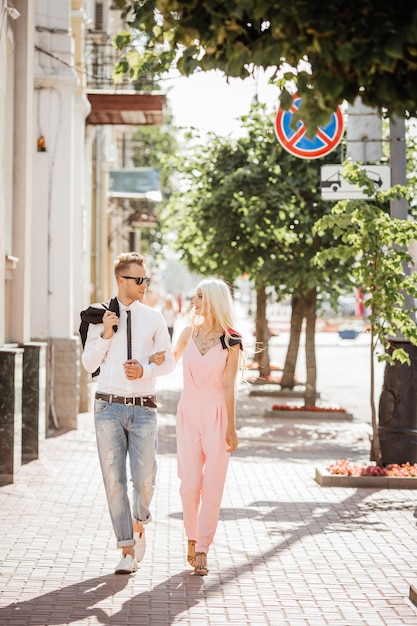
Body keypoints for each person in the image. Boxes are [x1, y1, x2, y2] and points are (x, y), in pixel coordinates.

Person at [81, 252, 175, 575]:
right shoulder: (100, 316)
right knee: (114, 480)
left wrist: (146, 370)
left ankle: (139, 523)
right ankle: (126, 548)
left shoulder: (155, 318)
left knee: (145, 479)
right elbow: (88, 364)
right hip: (107, 407)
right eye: (139, 280)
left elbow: (170, 362)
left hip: (144, 408)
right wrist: (106, 335)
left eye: (145, 279)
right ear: (122, 281)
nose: (144, 284)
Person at [173, 278, 244, 576]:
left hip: (217, 413)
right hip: (188, 411)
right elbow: (165, 361)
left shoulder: (232, 339)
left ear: (213, 299)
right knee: (189, 484)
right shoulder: (188, 333)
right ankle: (191, 535)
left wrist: (232, 427)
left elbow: (229, 385)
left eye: (200, 295)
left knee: (212, 486)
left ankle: (202, 547)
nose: (194, 298)